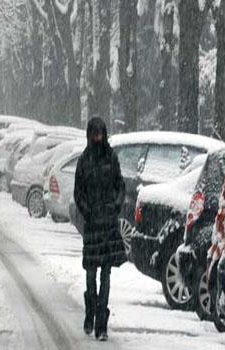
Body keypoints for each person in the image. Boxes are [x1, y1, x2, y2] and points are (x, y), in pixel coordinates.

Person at [74, 117, 127, 341]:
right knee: (90, 274)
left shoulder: (111, 157)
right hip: (93, 224)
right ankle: (90, 312)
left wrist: (114, 206)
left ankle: (102, 323)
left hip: (108, 226)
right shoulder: (84, 160)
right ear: (89, 135)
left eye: (101, 134)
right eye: (94, 134)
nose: (98, 138)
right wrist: (88, 212)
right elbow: (79, 192)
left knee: (106, 274)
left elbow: (120, 185)